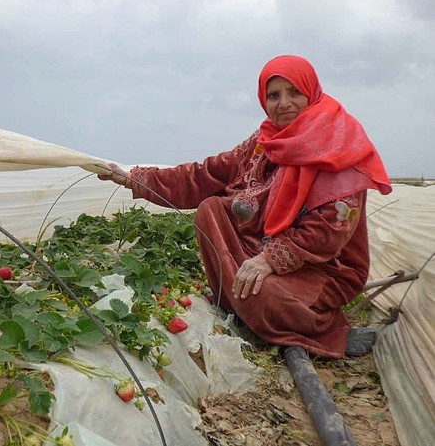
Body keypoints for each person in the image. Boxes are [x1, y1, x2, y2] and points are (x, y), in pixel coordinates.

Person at [98, 55, 391, 358]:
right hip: (263, 247)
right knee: (211, 208)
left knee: (264, 298)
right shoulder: (264, 141)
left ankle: (323, 326)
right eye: (274, 95)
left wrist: (268, 261)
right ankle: (236, 299)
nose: (284, 103)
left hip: (322, 267)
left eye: (294, 92)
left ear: (311, 93)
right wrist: (135, 177)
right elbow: (207, 174)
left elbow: (329, 232)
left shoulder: (338, 144)